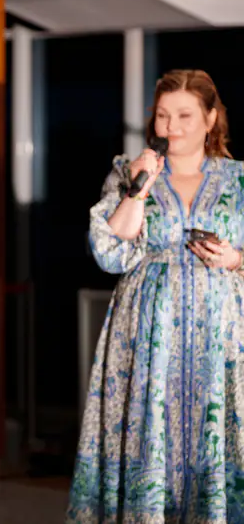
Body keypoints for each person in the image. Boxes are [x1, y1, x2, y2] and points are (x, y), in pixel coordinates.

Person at [67, 69, 244, 523]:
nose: (171, 126)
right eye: (163, 115)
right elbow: (109, 252)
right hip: (147, 336)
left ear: (210, 118)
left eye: (185, 115)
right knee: (150, 439)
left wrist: (235, 258)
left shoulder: (239, 180)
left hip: (221, 337)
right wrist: (139, 189)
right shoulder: (129, 172)